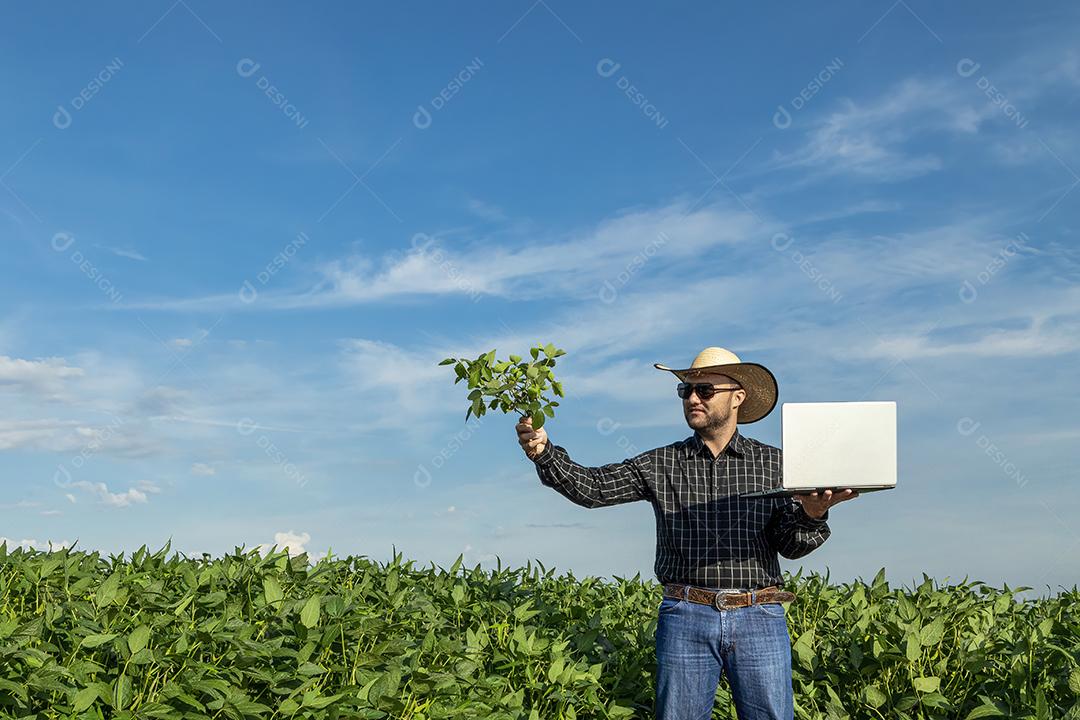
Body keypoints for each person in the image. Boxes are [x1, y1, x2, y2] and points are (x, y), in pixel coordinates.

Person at [515, 346, 859, 720]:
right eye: (686, 391)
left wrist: (813, 512)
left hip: (760, 615)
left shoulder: (776, 464)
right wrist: (544, 452)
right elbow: (594, 488)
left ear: (738, 397)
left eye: (705, 390)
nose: (693, 398)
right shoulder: (660, 463)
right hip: (685, 614)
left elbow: (789, 545)